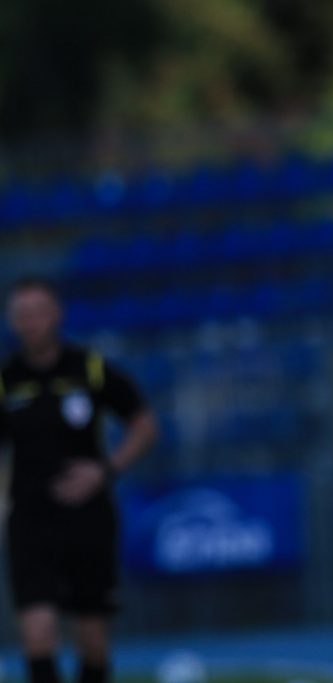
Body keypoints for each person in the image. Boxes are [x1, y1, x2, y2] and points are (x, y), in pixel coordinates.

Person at [0, 277, 158, 683]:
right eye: (22, 315)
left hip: (88, 519)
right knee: (37, 634)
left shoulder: (89, 368)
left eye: (38, 312)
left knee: (92, 640)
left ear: (56, 315)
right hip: (31, 521)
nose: (31, 322)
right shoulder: (6, 379)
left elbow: (144, 424)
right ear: (12, 322)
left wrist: (107, 469)